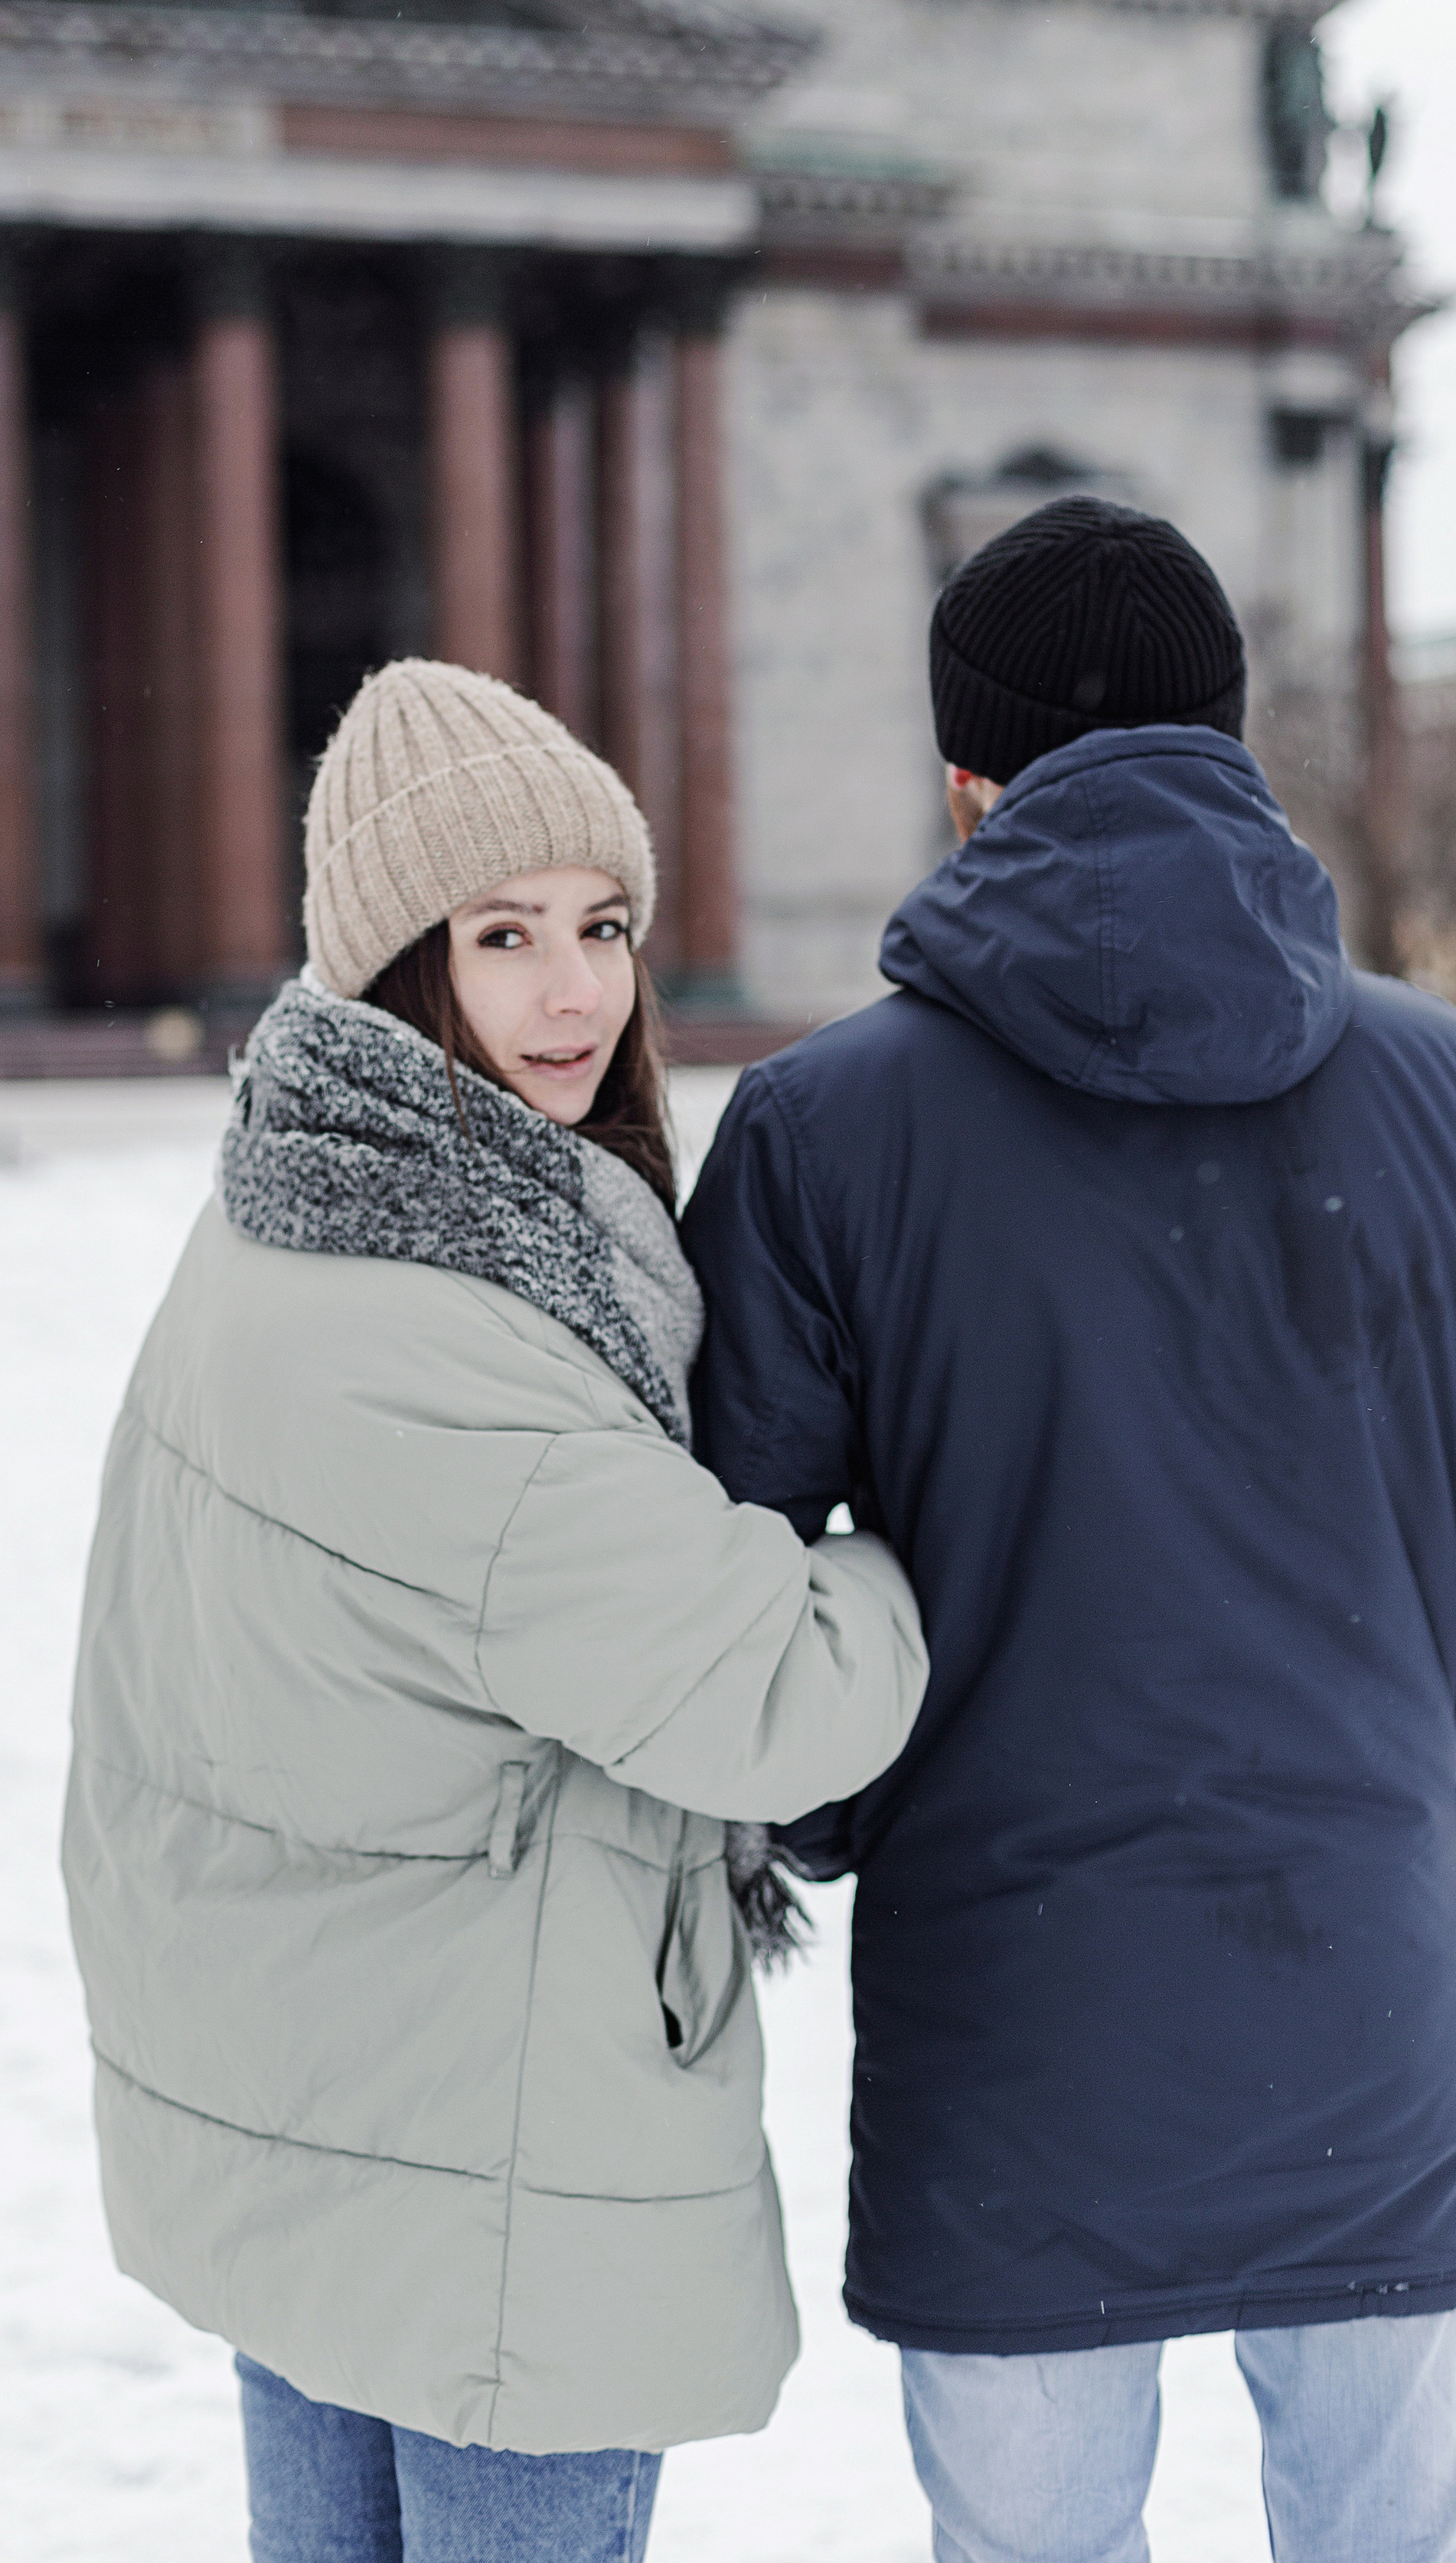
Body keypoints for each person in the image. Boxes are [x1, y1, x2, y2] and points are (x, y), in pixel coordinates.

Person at [683, 497, 1456, 2563]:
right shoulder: (1455, 1098)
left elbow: (736, 1579)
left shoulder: (827, 1129)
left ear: (966, 783)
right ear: (1235, 740)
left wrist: (858, 1818)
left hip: (1014, 2022)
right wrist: (1364, 1738)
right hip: (1356, 1999)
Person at [62, 660, 927, 2563]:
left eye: (603, 927)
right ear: (393, 968)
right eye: (503, 935)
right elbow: (768, 1698)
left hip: (318, 2101)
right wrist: (884, 1549)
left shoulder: (281, 1215)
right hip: (485, 2162)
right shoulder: (452, 1329)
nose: (575, 992)